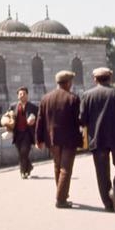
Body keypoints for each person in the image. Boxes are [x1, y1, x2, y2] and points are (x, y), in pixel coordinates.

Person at [79, 66, 115, 212]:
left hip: (98, 139)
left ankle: (108, 204)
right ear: (110, 78)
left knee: (102, 172)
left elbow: (83, 119)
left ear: (95, 79)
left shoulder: (87, 95)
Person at [35, 70, 82, 208]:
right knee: (66, 168)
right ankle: (61, 199)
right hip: (69, 138)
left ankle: (62, 193)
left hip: (52, 138)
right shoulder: (73, 98)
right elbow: (78, 120)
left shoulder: (46, 98)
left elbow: (40, 120)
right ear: (68, 83)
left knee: (57, 166)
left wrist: (38, 138)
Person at [9, 87, 38, 179]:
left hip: (27, 133)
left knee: (24, 151)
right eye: (20, 94)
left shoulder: (33, 107)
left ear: (27, 95)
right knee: (21, 153)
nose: (22, 96)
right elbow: (8, 117)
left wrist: (34, 120)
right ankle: (28, 167)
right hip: (17, 133)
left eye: (24, 94)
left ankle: (23, 172)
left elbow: (39, 118)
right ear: (18, 96)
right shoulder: (13, 106)